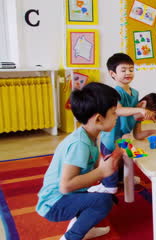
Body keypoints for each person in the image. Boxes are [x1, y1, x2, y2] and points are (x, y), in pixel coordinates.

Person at [36, 82, 122, 240]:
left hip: (65, 196)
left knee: (104, 197)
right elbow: (66, 186)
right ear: (98, 119)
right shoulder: (79, 144)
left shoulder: (90, 135)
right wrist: (102, 171)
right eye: (114, 112)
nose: (117, 117)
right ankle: (71, 237)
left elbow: (94, 165)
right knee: (103, 202)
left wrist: (109, 162)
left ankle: (84, 228)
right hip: (54, 204)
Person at [88, 53, 156, 194]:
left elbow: (138, 134)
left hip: (121, 141)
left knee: (124, 159)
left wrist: (154, 131)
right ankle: (106, 184)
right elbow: (118, 110)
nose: (128, 73)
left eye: (131, 69)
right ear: (113, 74)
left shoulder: (134, 93)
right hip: (110, 139)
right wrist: (139, 110)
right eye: (123, 70)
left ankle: (120, 179)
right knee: (110, 164)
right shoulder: (115, 92)